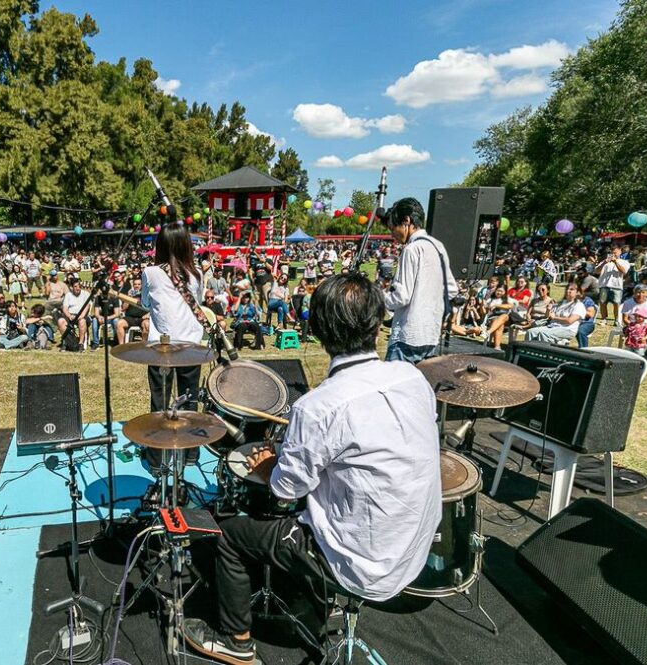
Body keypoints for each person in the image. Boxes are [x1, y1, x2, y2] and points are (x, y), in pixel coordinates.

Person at [182, 274, 441, 664]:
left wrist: (270, 464)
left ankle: (237, 642)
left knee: (227, 533)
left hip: (362, 565)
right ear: (377, 325)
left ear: (316, 329)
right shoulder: (412, 378)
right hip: (413, 552)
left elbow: (287, 490)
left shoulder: (319, 407)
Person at [141, 223, 205, 477]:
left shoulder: (151, 272)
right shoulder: (196, 273)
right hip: (191, 345)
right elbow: (195, 303)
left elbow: (146, 302)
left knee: (160, 403)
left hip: (163, 347)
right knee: (189, 401)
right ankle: (190, 453)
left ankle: (157, 459)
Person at [382, 198, 458, 363]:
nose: (391, 234)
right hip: (431, 336)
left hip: (407, 337)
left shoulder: (411, 249)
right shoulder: (438, 246)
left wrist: (378, 297)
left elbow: (401, 297)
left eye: (392, 227)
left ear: (406, 221)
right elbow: (452, 289)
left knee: (394, 387)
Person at [596, 247, 630, 325]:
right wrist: (604, 262)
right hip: (604, 285)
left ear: (620, 252)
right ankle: (604, 319)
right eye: (612, 252)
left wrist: (615, 262)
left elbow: (624, 271)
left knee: (616, 303)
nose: (613, 254)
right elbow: (597, 271)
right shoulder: (605, 261)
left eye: (615, 252)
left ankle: (616, 320)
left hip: (617, 286)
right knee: (602, 302)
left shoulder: (624, 262)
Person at [57, 278, 90, 350]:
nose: (78, 288)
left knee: (82, 321)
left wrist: (81, 316)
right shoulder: (68, 295)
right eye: (75, 286)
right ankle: (67, 342)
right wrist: (69, 316)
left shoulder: (86, 294)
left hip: (82, 316)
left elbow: (87, 307)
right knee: (60, 321)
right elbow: (65, 308)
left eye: (79, 286)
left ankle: (80, 343)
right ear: (72, 287)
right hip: (70, 315)